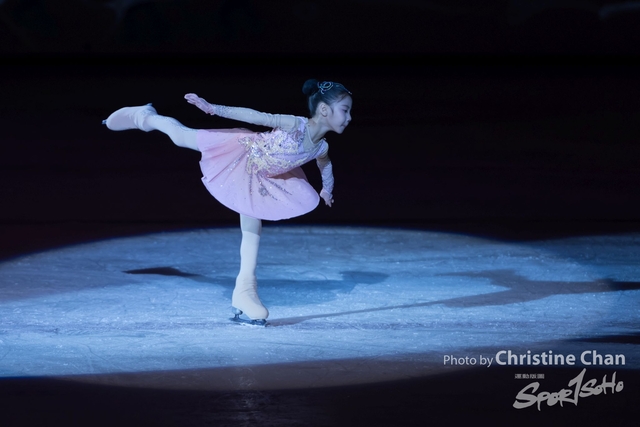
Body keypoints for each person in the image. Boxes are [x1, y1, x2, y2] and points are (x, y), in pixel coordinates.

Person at [102, 79, 353, 325]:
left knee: (253, 222)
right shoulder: (296, 125)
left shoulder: (320, 147)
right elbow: (256, 117)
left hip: (264, 177)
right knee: (181, 136)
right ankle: (146, 117)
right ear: (324, 109)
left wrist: (326, 190)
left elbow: (325, 164)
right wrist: (213, 109)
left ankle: (245, 289)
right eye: (345, 110)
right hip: (243, 154)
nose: (349, 117)